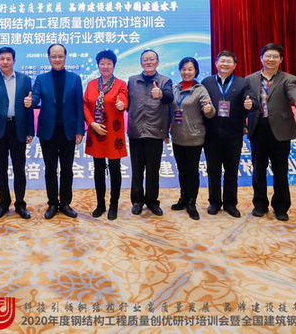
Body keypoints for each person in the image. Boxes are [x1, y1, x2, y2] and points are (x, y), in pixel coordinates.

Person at [246, 43, 296, 222]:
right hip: (258, 128)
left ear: (281, 59)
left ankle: (281, 207)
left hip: (280, 130)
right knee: (258, 169)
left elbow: (294, 93)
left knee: (280, 170)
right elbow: (247, 101)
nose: (271, 59)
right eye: (267, 56)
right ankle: (260, 204)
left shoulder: (288, 79)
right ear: (261, 58)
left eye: (275, 56)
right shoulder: (250, 79)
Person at [26, 43, 84, 219]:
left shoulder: (75, 79)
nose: (57, 59)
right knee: (50, 169)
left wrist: (80, 130)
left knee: (67, 169)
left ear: (65, 57)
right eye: (53, 56)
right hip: (48, 132)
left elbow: (79, 106)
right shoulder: (41, 79)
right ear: (49, 58)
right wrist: (30, 102)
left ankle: (65, 203)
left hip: (68, 131)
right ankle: (52, 203)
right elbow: (35, 98)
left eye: (60, 56)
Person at [201, 51, 258, 218]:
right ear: (216, 63)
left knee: (231, 170)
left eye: (229, 62)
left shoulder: (242, 82)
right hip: (211, 134)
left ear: (235, 65)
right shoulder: (207, 82)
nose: (225, 64)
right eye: (222, 61)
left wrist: (250, 104)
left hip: (233, 134)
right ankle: (214, 202)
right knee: (213, 170)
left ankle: (230, 204)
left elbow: (253, 102)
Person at [0, 47, 35, 220]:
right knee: (1, 168)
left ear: (14, 61)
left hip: (18, 128)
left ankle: (20, 204)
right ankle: (3, 203)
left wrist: (30, 130)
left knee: (19, 168)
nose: (5, 62)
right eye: (2, 59)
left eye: (8, 59)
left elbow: (29, 105)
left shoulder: (25, 79)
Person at [83, 49, 129, 220]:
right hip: (96, 132)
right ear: (98, 65)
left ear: (114, 65)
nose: (105, 66)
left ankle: (113, 205)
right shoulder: (91, 85)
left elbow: (124, 99)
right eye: (102, 63)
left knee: (115, 170)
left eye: (109, 63)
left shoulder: (120, 84)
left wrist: (121, 104)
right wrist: (91, 123)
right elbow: (85, 105)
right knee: (98, 169)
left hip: (113, 135)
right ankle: (100, 204)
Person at [127, 49, 173, 216]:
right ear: (141, 63)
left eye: (151, 59)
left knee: (153, 170)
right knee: (137, 169)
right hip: (136, 131)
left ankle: (152, 201)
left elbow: (170, 98)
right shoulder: (132, 80)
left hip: (155, 131)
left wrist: (161, 94)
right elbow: (127, 103)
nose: (148, 62)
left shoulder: (165, 80)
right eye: (145, 60)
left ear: (157, 62)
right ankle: (137, 201)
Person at [170, 57, 216, 220]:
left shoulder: (200, 89)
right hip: (177, 136)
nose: (186, 72)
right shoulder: (175, 88)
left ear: (195, 71)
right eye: (184, 69)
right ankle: (183, 199)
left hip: (194, 137)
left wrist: (209, 109)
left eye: (190, 69)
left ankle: (191, 203)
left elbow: (210, 111)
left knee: (192, 171)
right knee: (182, 171)